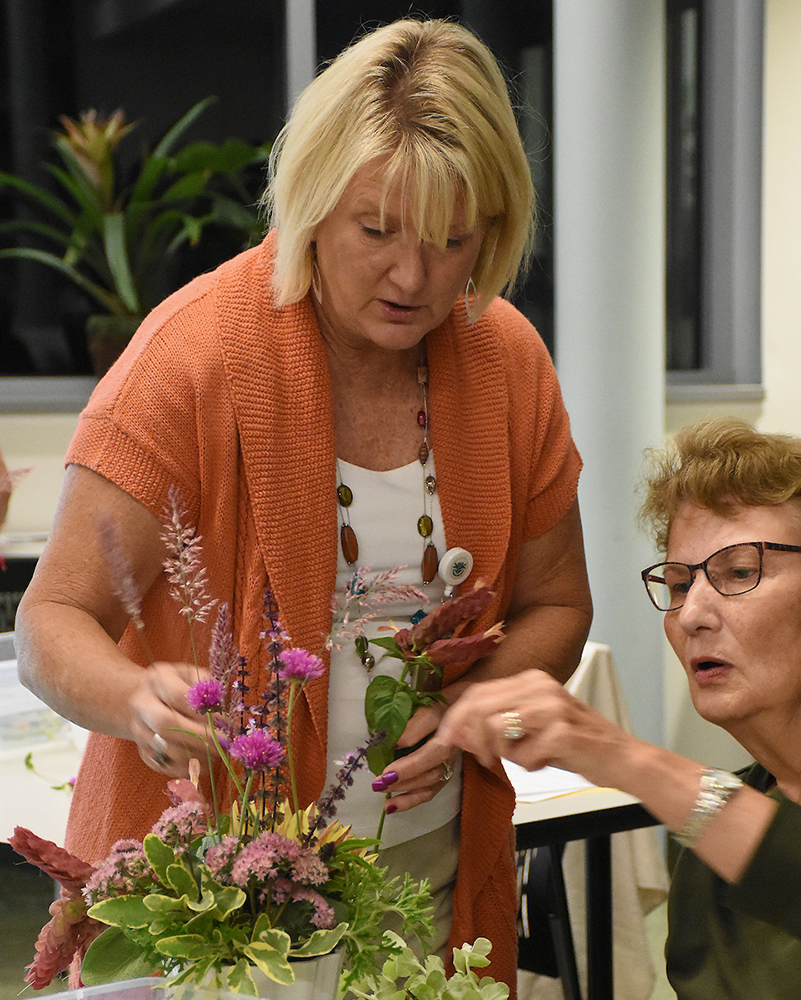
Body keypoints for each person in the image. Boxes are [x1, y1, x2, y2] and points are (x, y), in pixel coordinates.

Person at [14, 18, 592, 990]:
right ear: (313, 201)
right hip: (209, 891)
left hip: (420, 879)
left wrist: (458, 709)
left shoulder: (508, 364)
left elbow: (559, 608)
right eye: (376, 231)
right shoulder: (192, 355)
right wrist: (134, 699)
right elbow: (49, 621)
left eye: (454, 241)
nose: (413, 277)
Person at [433, 418, 801, 999]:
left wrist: (634, 763)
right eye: (679, 584)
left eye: (739, 572)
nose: (691, 615)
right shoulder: (710, 858)